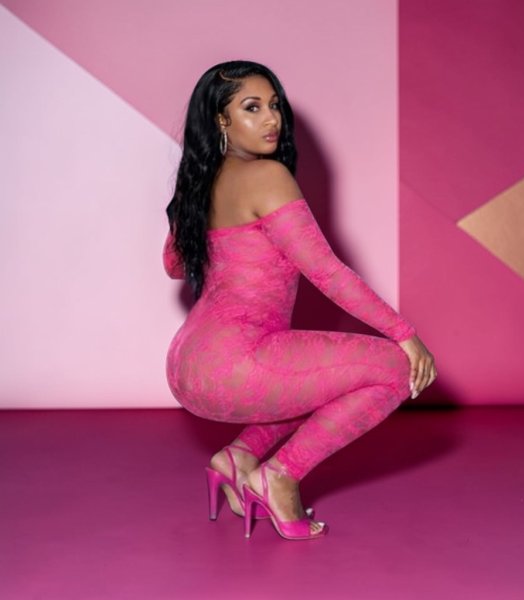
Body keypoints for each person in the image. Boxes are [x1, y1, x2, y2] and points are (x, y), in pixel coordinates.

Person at [163, 60, 436, 541]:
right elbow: (326, 272)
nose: (272, 119)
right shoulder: (267, 176)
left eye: (274, 106)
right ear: (221, 120)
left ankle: (238, 459)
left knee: (317, 380)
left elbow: (173, 265)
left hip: (189, 363)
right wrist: (405, 335)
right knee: (396, 370)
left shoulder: (201, 181)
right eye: (252, 108)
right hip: (237, 361)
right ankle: (280, 476)